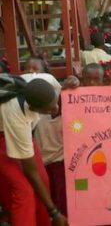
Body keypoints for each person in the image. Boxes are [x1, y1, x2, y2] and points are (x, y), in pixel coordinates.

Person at [0, 78, 68, 226]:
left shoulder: (36, 85)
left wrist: (69, 84)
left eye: (55, 102)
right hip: (3, 136)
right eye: (50, 109)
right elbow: (30, 171)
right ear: (35, 109)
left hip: (20, 133)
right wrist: (54, 212)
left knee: (43, 180)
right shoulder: (17, 116)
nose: (55, 108)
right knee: (23, 190)